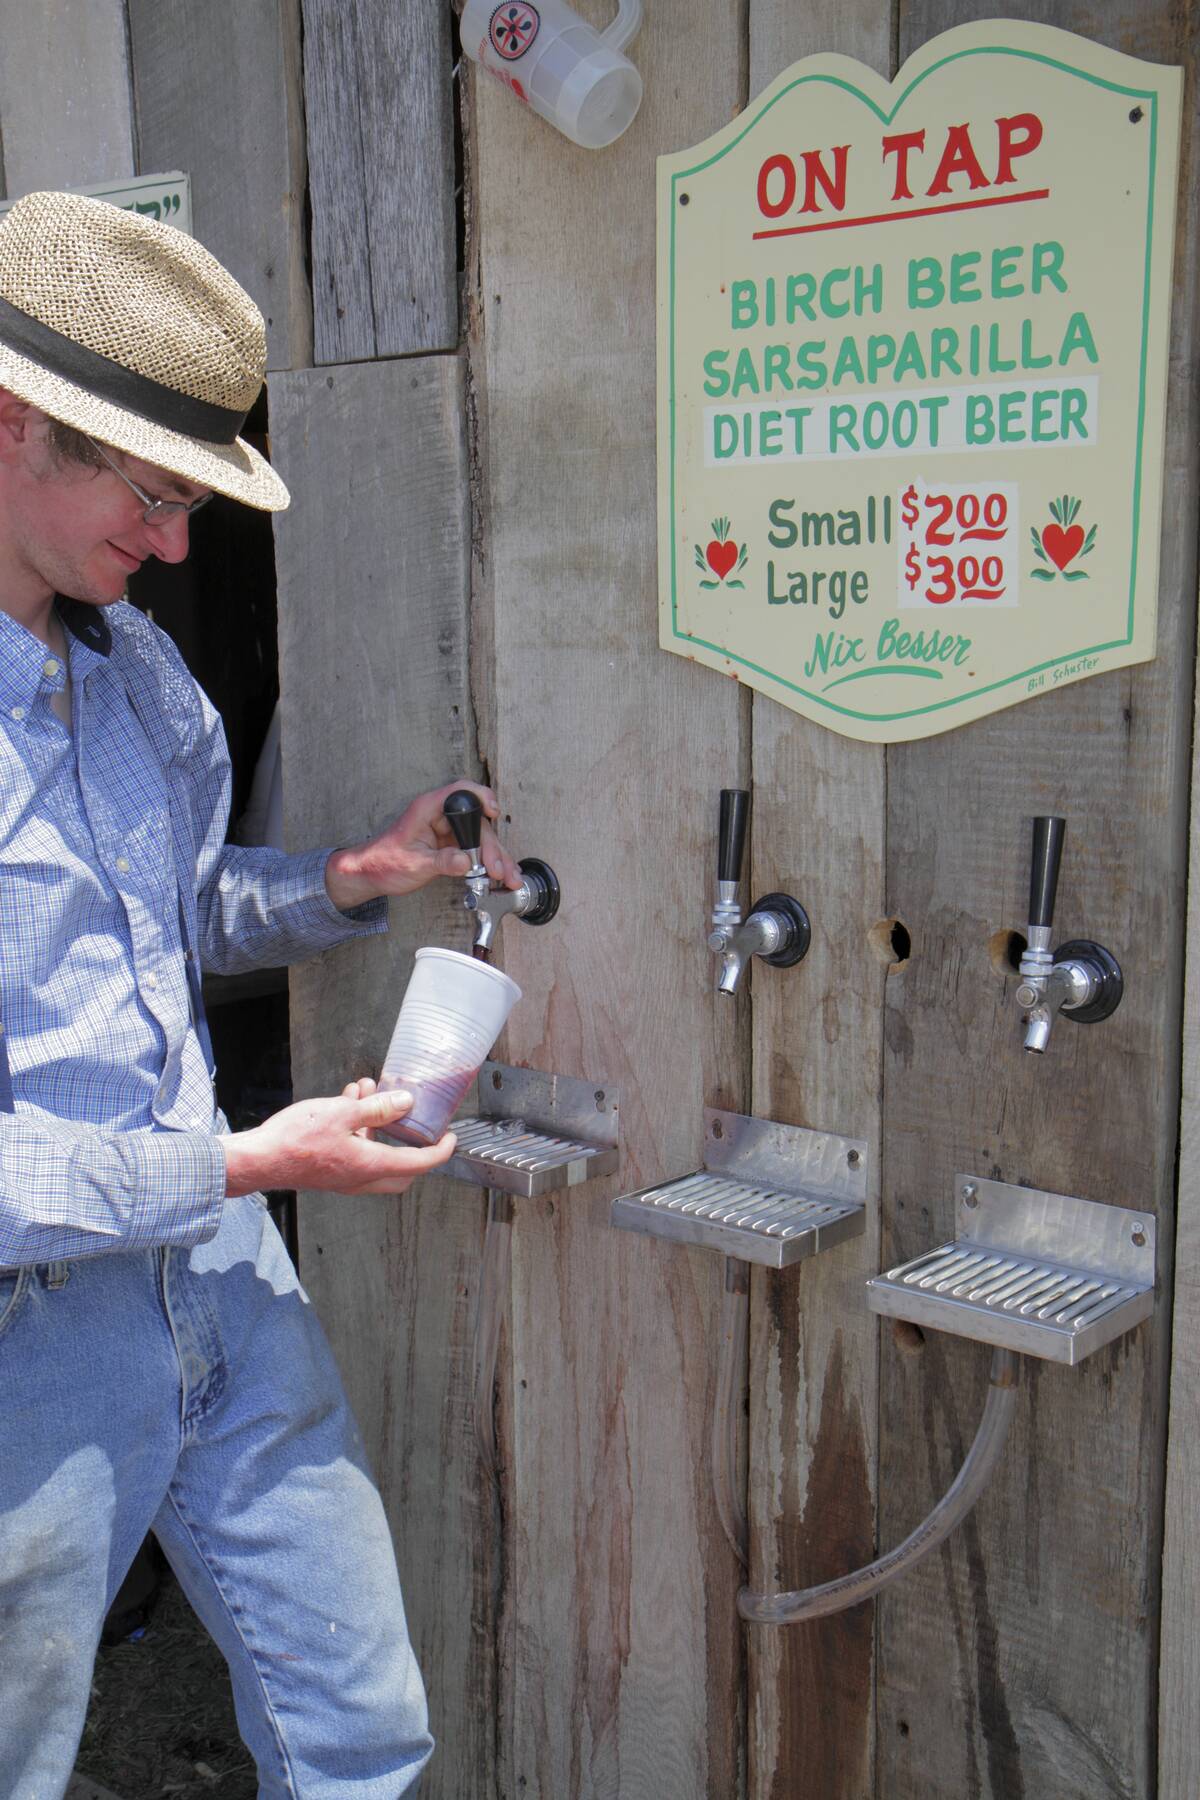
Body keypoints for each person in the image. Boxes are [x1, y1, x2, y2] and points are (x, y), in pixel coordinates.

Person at [0, 190, 519, 1799]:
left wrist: (353, 878)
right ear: (16, 424)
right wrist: (252, 1161)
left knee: (361, 1730)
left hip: (217, 1277)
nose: (170, 545)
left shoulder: (133, 665)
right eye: (153, 497)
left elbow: (165, 922)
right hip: (34, 1326)